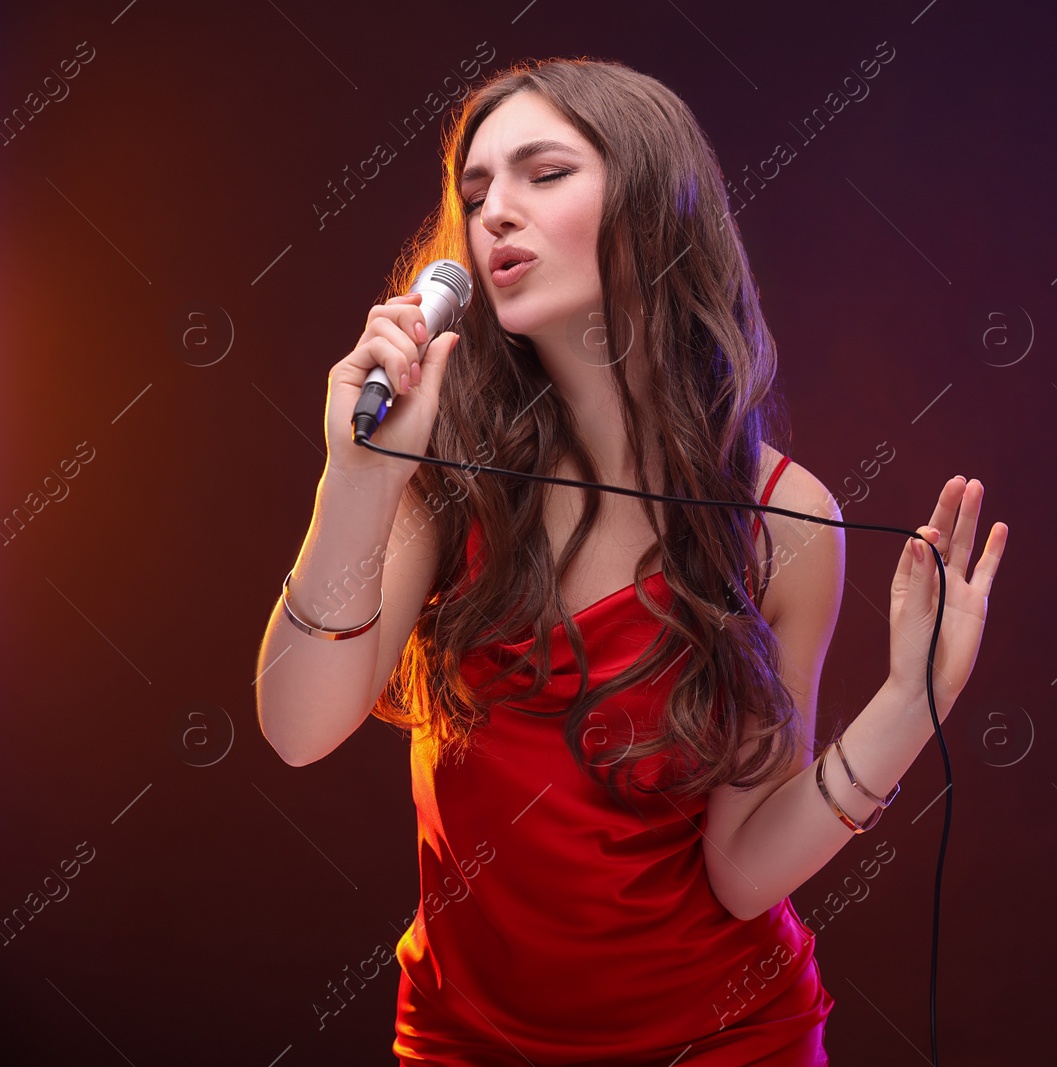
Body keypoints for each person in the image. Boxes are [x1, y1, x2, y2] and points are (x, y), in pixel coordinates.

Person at [254, 56, 1007, 1066]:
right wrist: (356, 475)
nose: (494, 215)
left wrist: (914, 699)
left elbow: (743, 870)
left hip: (724, 1042)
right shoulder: (444, 479)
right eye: (476, 194)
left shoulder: (782, 518)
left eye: (543, 173)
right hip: (467, 1045)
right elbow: (296, 727)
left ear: (653, 207)